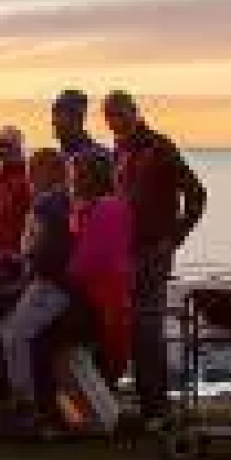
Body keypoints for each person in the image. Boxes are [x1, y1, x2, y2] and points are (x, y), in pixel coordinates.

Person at [103, 90, 208, 430]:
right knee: (130, 328)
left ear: (134, 112)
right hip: (124, 251)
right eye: (109, 115)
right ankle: (143, 403)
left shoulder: (159, 147)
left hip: (151, 252)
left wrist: (173, 239)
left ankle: (156, 409)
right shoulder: (118, 151)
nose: (114, 121)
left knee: (147, 328)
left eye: (119, 113)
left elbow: (196, 194)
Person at [0, 148, 76, 436]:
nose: (29, 177)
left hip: (50, 286)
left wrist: (20, 267)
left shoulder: (49, 204)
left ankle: (25, 408)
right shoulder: (64, 202)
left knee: (13, 338)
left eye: (33, 171)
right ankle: (14, 406)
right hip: (51, 285)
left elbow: (44, 251)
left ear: (48, 172)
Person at [68, 151, 136, 383]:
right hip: (101, 293)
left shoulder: (107, 208)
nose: (73, 181)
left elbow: (88, 260)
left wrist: (65, 274)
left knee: (101, 359)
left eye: (78, 175)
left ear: (94, 178)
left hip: (103, 296)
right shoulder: (95, 207)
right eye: (73, 175)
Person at [0, 126, 31, 266]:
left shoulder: (27, 178)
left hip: (16, 258)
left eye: (8, 145)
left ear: (19, 147)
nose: (3, 150)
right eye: (0, 145)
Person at [51, 89, 111, 165]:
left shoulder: (98, 157)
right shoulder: (57, 159)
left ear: (77, 118)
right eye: (54, 115)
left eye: (59, 115)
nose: (54, 122)